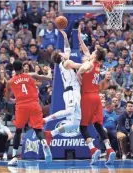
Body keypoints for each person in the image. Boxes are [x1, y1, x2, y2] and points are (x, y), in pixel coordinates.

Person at [77, 26, 116, 165]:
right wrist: (79, 35)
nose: (91, 52)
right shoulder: (98, 65)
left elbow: (81, 70)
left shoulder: (89, 64)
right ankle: (109, 149)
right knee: (98, 125)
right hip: (97, 97)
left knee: (82, 127)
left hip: (87, 96)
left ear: (95, 56)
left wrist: (78, 76)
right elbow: (85, 48)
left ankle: (93, 149)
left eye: (93, 52)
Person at [5, 59, 52, 166]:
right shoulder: (31, 75)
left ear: (13, 69)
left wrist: (14, 100)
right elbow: (48, 78)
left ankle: (14, 157)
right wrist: (49, 70)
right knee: (38, 128)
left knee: (18, 131)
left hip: (21, 106)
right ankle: (44, 143)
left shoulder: (10, 82)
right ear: (22, 67)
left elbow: (8, 100)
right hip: (34, 104)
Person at [44, 30, 82, 144]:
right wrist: (90, 64)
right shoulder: (65, 63)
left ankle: (51, 134)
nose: (64, 52)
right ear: (60, 57)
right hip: (71, 91)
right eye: (61, 53)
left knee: (75, 123)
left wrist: (65, 37)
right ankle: (45, 120)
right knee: (70, 111)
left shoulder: (64, 61)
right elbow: (80, 66)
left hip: (73, 92)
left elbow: (67, 50)